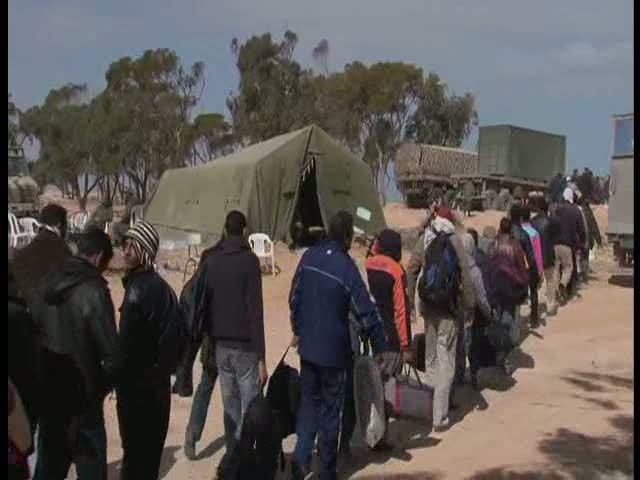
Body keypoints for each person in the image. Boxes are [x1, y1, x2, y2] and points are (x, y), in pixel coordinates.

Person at [289, 211, 386, 480]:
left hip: (308, 350)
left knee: (309, 405)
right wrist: (380, 346)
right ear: (346, 236)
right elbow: (365, 311)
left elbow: (294, 297)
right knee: (331, 414)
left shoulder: (308, 257)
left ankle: (300, 459)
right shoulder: (346, 268)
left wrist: (298, 329)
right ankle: (326, 472)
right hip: (334, 355)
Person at [34, 228, 119, 480]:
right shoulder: (94, 290)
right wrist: (100, 388)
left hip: (50, 402)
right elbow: (113, 356)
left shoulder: (44, 283)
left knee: (47, 471)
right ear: (98, 257)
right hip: (84, 408)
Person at [193, 211, 268, 475]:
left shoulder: (212, 261)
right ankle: (246, 464)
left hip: (220, 347)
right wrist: (262, 358)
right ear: (244, 231)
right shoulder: (249, 262)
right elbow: (255, 312)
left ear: (225, 229)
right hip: (245, 348)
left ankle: (232, 460)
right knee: (250, 411)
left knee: (230, 410)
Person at [116, 221, 177, 480]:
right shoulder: (164, 289)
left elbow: (127, 347)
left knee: (134, 460)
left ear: (145, 251)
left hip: (137, 392)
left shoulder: (138, 289)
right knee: (148, 462)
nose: (126, 251)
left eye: (134, 246)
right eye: (125, 244)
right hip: (158, 390)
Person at [406, 207, 475, 432]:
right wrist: (469, 305)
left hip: (428, 307)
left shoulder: (425, 239)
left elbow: (411, 269)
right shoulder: (455, 241)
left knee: (431, 357)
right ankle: (440, 416)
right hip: (448, 308)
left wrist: (411, 299)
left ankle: (429, 408)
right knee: (447, 360)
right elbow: (465, 272)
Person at [363, 229, 412, 446]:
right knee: (387, 386)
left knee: (376, 383)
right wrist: (406, 344)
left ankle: (375, 430)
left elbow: (371, 252)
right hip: (392, 336)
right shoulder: (396, 271)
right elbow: (401, 311)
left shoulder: (369, 264)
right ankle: (380, 436)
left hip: (374, 332)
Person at [11, 203, 71, 308]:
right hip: (53, 310)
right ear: (59, 224)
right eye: (66, 223)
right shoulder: (62, 249)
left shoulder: (23, 253)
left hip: (28, 308)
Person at [490, 218, 529, 375]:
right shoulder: (515, 246)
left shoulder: (494, 244)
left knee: (498, 320)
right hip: (510, 290)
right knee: (508, 320)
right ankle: (503, 356)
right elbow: (522, 267)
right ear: (511, 230)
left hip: (495, 289)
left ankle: (497, 353)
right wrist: (525, 285)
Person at [459, 232, 493, 390]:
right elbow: (481, 297)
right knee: (473, 345)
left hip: (454, 313)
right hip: (472, 315)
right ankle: (474, 374)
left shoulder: (454, 265)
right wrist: (488, 313)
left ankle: (458, 378)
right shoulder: (473, 269)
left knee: (458, 347)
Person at [552, 188, 586, 303]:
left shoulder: (557, 209)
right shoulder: (576, 210)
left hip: (555, 243)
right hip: (568, 244)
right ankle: (563, 285)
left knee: (556, 268)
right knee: (569, 267)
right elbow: (581, 229)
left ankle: (557, 291)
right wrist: (582, 243)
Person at [509, 205, 540, 326]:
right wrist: (534, 270)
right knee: (531, 292)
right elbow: (530, 255)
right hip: (521, 269)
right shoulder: (523, 234)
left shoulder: (505, 231)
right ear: (520, 217)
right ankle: (533, 319)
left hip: (507, 268)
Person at [530, 197, 559, 317]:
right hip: (548, 256)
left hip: (536, 257)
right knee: (550, 281)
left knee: (536, 283)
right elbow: (555, 239)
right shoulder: (550, 221)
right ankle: (550, 305)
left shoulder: (532, 222)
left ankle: (534, 305)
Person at [520, 206, 544, 328]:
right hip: (532, 267)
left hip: (520, 267)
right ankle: (534, 319)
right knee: (534, 292)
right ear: (529, 217)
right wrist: (540, 271)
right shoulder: (534, 233)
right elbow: (538, 254)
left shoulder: (518, 233)